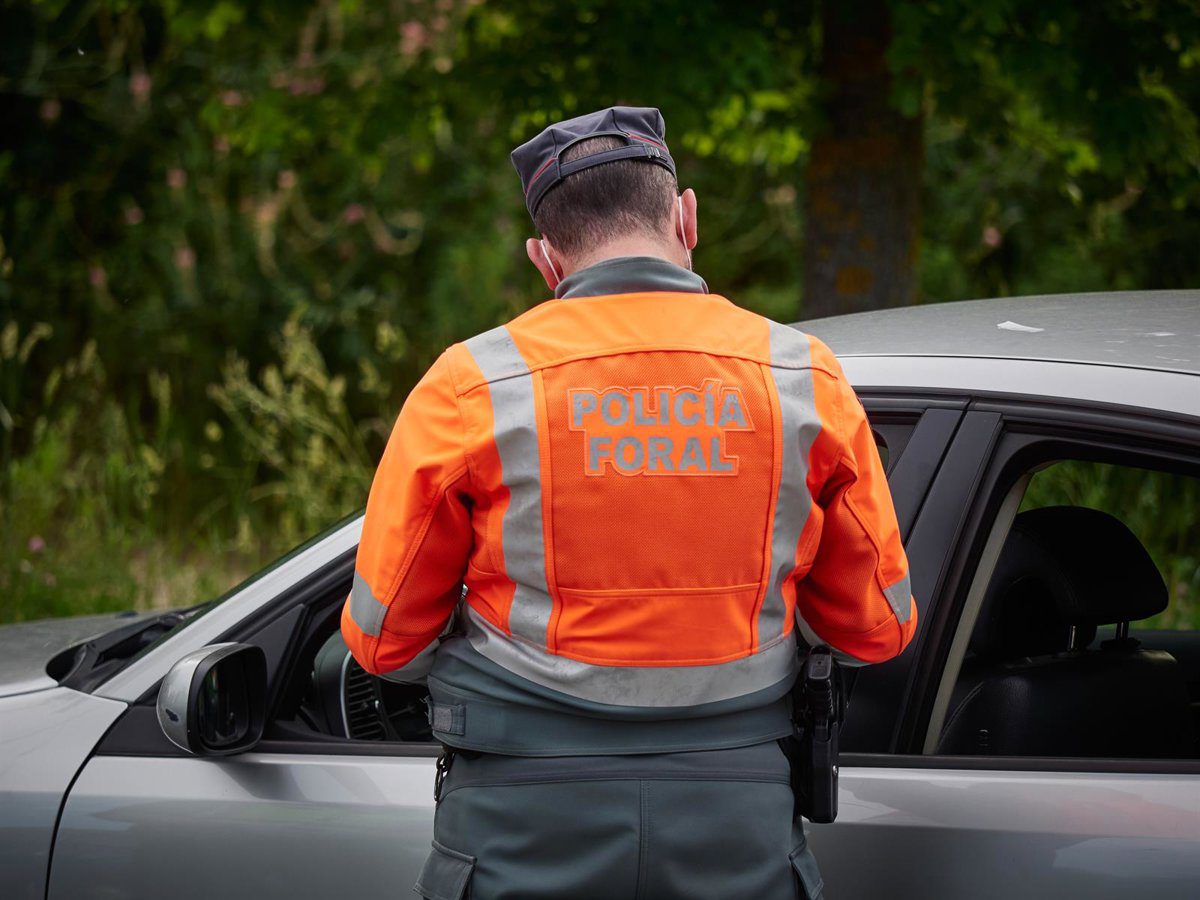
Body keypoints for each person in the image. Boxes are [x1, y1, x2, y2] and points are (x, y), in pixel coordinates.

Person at [341, 106, 917, 900]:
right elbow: (877, 629)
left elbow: (383, 641)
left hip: (519, 823)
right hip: (738, 823)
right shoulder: (802, 377)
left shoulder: (472, 386)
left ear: (546, 259)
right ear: (686, 218)